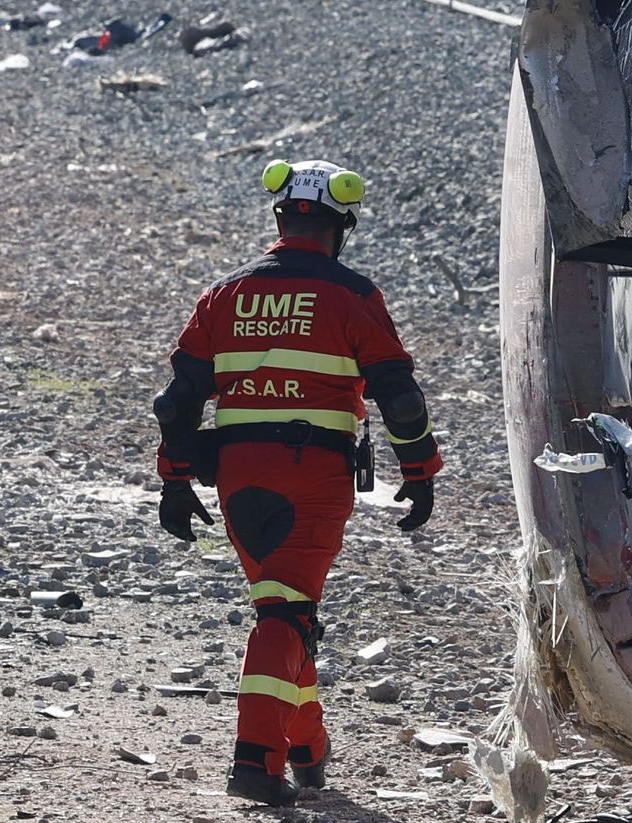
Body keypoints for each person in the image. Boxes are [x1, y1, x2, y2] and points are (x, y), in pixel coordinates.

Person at [151, 159, 443, 807]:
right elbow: (398, 396)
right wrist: (419, 468)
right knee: (286, 611)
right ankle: (254, 760)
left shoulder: (224, 295)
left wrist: (174, 480)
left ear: (280, 218)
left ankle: (307, 749)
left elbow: (177, 402)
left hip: (234, 476)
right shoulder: (352, 295)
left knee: (285, 607)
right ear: (338, 227)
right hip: (313, 474)